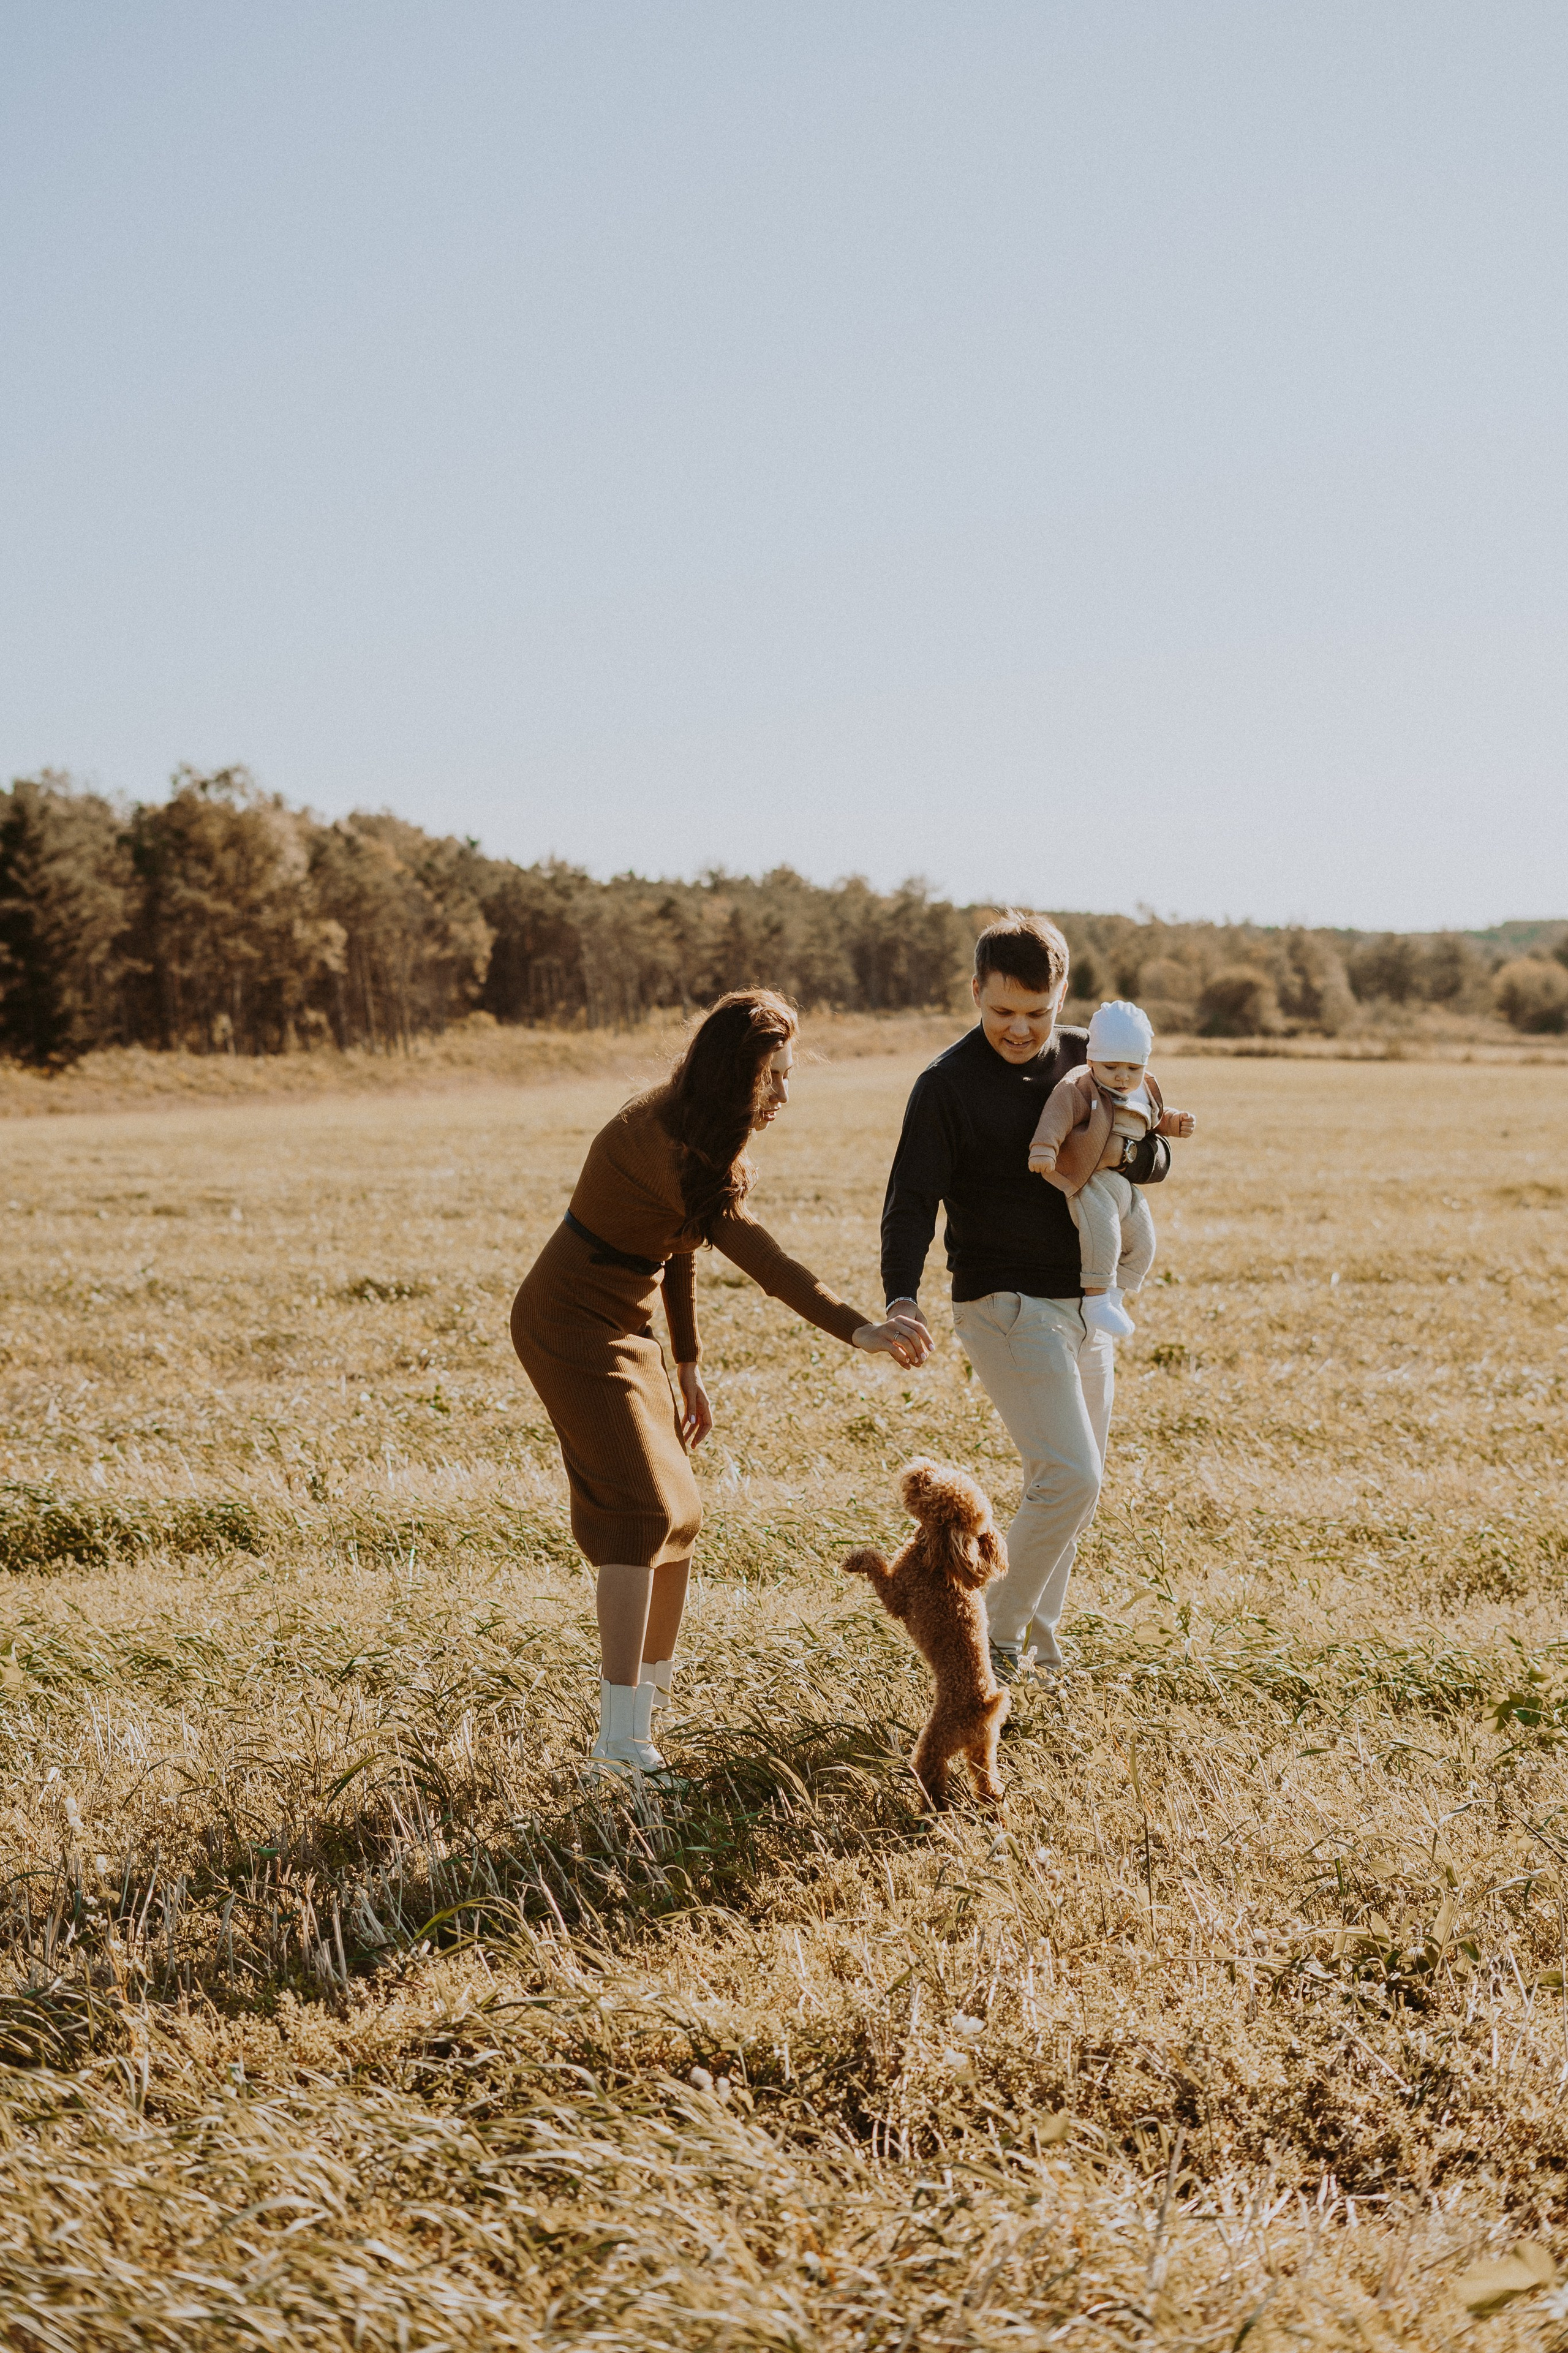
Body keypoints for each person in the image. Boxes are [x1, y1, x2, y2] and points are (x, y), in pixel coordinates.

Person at [511, 987, 930, 1775]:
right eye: (770, 1077)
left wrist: (686, 1362)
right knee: (637, 1515)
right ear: (728, 1073)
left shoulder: (706, 1134)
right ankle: (617, 1744)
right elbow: (755, 1254)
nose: (782, 1095)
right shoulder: (660, 1138)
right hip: (566, 1323)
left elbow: (674, 1249)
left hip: (624, 1324)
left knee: (682, 1517)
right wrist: (858, 1328)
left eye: (788, 1075)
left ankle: (643, 1718)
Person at [880, 915, 1169, 1685]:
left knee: (1072, 1490)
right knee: (1071, 1475)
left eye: (1036, 1013)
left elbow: (1147, 1142)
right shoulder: (946, 1086)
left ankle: (1042, 1650)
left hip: (1083, 1306)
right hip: (1005, 1305)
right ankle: (994, 1642)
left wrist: (1140, 1154)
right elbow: (911, 1199)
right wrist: (901, 1296)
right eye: (1001, 1010)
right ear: (975, 991)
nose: (1019, 1028)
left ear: (1061, 996)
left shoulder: (1089, 1057)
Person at [1027, 999, 1195, 1338]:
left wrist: (1173, 1122)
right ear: (1092, 1061)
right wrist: (1044, 1148)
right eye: (1112, 1067)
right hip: (1090, 1180)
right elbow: (1057, 1117)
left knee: (1143, 1241)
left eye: (1133, 1069)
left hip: (1124, 1185)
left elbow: (1153, 1121)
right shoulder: (1080, 1086)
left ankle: (1115, 1297)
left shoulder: (1142, 1091)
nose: (1122, 1077)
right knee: (1103, 1236)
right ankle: (1096, 1301)